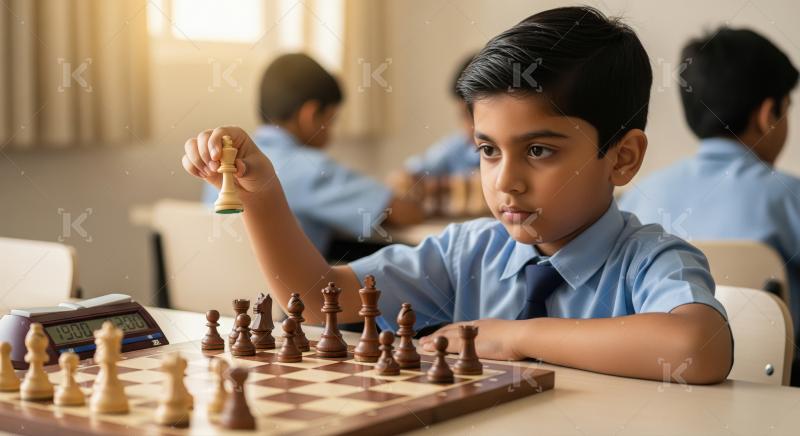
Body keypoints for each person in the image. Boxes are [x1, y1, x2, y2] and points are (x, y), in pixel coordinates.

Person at [183, 7, 732, 384]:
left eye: (539, 150)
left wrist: (514, 338)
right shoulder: (468, 253)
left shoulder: (649, 259)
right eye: (487, 150)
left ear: (622, 157)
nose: (505, 180)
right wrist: (263, 195)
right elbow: (319, 294)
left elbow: (697, 347)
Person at [619, 27, 798, 383]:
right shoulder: (789, 196)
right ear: (768, 114)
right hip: (778, 387)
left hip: (655, 381)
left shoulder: (639, 194)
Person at [202, 53, 423, 255]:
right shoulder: (312, 169)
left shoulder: (223, 164)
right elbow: (404, 213)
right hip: (292, 287)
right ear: (310, 115)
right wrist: (409, 190)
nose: (332, 133)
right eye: (331, 120)